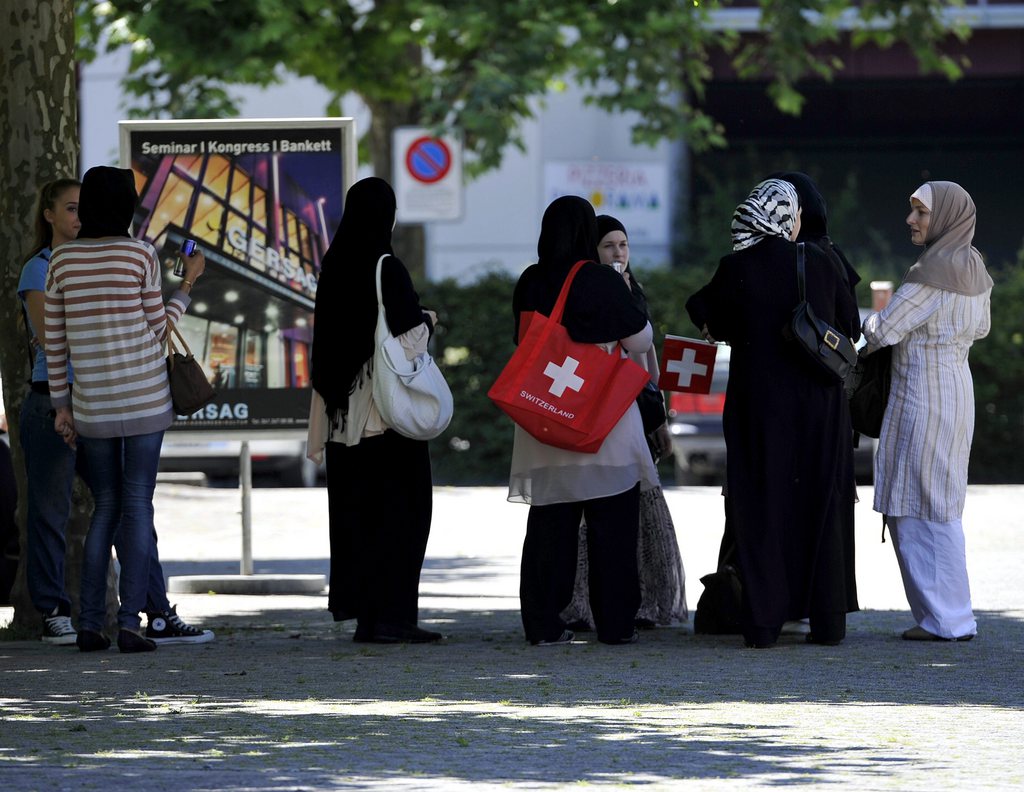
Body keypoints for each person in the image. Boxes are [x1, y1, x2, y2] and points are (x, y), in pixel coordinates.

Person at [686, 178, 860, 648]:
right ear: (787, 216)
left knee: (762, 505)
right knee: (820, 505)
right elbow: (851, 325)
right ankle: (827, 622)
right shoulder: (822, 261)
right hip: (821, 407)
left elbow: (701, 309)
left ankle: (763, 624)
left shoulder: (737, 266)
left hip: (760, 408)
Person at [45, 166, 210, 653]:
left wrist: (62, 405)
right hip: (145, 400)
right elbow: (159, 329)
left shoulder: (62, 262)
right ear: (128, 206)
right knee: (138, 505)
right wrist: (188, 285)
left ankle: (90, 623)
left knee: (105, 509)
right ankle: (132, 624)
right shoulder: (140, 255)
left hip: (92, 404)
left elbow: (55, 344)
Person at [509, 196, 659, 646]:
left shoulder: (529, 281)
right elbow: (639, 340)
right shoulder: (599, 280)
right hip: (601, 422)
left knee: (548, 529)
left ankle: (541, 623)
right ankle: (615, 625)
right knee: (612, 526)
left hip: (545, 419)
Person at [307, 177, 442, 645]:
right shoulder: (387, 266)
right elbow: (408, 338)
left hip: (343, 415)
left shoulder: (335, 262)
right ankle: (394, 616)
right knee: (404, 513)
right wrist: (427, 320)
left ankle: (367, 616)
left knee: (356, 516)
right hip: (385, 415)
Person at [861, 180, 991, 642]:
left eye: (921, 212)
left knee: (917, 504)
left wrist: (873, 315)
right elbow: (982, 328)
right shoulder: (973, 266)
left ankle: (944, 619)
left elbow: (882, 332)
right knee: (941, 502)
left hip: (922, 396)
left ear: (947, 217)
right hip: (957, 391)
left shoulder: (931, 271)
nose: (911, 220)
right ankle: (951, 615)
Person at [560, 214, 687, 631]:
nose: (618, 253)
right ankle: (586, 603)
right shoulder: (591, 291)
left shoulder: (634, 291)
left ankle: (642, 601)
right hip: (599, 409)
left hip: (633, 407)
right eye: (609, 246)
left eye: (624, 245)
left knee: (635, 506)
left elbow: (646, 360)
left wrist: (660, 419)